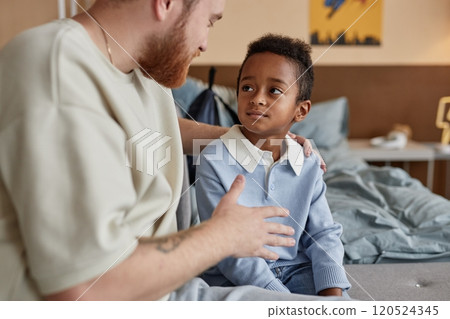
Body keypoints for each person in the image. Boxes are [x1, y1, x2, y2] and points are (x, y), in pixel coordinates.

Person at [0, 0, 336, 301]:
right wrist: (222, 237)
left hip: (168, 285)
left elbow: (149, 130)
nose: (205, 43)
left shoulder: (142, 73)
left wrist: (255, 141)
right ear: (165, 3)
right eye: (210, 21)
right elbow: (88, 286)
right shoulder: (56, 69)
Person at [196, 34, 351, 297]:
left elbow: (323, 234)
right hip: (233, 278)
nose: (257, 98)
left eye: (274, 91)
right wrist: (281, 300)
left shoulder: (308, 162)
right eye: (247, 88)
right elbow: (229, 253)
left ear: (300, 111)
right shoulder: (213, 160)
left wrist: (332, 292)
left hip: (297, 270)